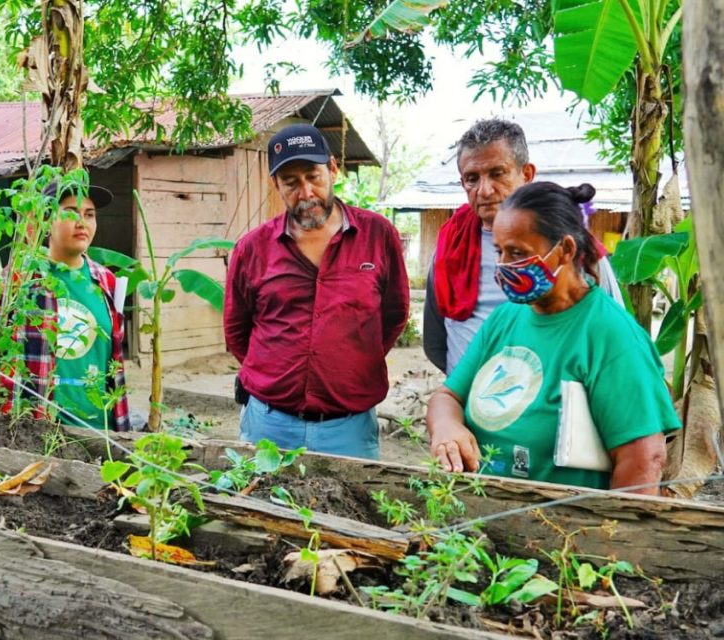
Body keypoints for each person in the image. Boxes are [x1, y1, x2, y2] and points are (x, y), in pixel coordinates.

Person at [425, 182, 679, 493]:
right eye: (499, 251)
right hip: (482, 519)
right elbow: (447, 397)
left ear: (566, 250)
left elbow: (643, 460)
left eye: (518, 253)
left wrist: (610, 536)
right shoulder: (506, 318)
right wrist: (447, 428)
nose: (504, 265)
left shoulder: (610, 336)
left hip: (563, 531)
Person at [224, 123, 410, 460]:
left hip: (349, 428)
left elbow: (394, 314)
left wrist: (347, 362)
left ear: (333, 168)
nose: (306, 192)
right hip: (269, 424)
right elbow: (237, 330)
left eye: (313, 176)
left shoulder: (378, 235)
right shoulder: (252, 249)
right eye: (291, 183)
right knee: (258, 507)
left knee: (349, 511)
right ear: (276, 185)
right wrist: (276, 373)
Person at [424, 119, 623, 374]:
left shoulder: (572, 249)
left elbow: (613, 335)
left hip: (550, 402)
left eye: (497, 173)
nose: (484, 191)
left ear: (526, 174)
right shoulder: (449, 246)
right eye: (472, 179)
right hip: (467, 403)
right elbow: (436, 338)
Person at [0, 179, 130, 431]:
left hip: (102, 431)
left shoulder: (105, 281)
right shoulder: (20, 278)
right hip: (40, 431)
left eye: (89, 215)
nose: (82, 223)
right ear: (46, 220)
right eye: (70, 213)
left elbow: (114, 364)